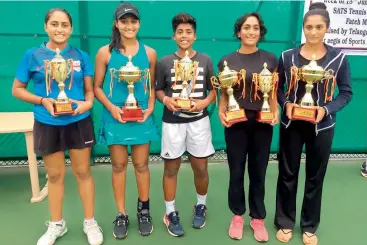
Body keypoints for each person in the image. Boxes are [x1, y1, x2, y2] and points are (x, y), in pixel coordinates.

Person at [11, 8, 103, 245]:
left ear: (71, 29)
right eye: (54, 24)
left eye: (64, 25)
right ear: (46, 26)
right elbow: (17, 89)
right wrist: (43, 100)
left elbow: (90, 91)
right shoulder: (32, 55)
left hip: (78, 122)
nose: (60, 29)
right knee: (54, 175)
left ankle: (90, 222)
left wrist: (87, 105)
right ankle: (56, 224)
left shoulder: (81, 56)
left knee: (83, 172)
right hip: (47, 122)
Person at [275, 2, 353, 245]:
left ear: (326, 28)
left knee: (315, 176)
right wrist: (286, 103)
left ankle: (309, 226)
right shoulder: (287, 56)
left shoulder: (338, 58)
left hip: (322, 125)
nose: (313, 32)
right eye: (309, 27)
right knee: (287, 174)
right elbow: (277, 89)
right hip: (292, 124)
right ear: (303, 28)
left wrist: (326, 109)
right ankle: (285, 222)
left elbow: (346, 93)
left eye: (319, 27)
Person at [93, 3, 159, 239]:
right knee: (119, 165)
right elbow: (97, 87)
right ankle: (121, 213)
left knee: (141, 165)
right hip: (115, 118)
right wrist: (111, 108)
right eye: (124, 21)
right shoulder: (105, 53)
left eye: (133, 21)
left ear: (139, 24)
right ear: (117, 24)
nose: (129, 26)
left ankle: (144, 210)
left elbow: (152, 87)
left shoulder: (150, 53)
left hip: (140, 117)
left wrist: (150, 107)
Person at [217, 12, 278, 242]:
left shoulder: (271, 59)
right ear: (238, 31)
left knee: (259, 170)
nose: (251, 31)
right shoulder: (226, 61)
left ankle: (258, 218)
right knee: (236, 170)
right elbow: (225, 92)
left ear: (260, 32)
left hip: (262, 121)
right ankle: (237, 215)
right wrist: (222, 111)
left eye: (255, 28)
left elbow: (271, 90)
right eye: (246, 27)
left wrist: (275, 110)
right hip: (236, 120)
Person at [155, 12, 216, 237]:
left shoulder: (206, 60)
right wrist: (167, 100)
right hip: (172, 123)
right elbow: (159, 90)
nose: (184, 35)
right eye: (180, 32)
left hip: (199, 123)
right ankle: (170, 212)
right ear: (174, 36)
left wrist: (203, 103)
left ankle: (201, 204)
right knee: (171, 169)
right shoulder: (165, 61)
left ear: (195, 36)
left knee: (200, 168)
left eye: (188, 32)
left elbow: (214, 91)